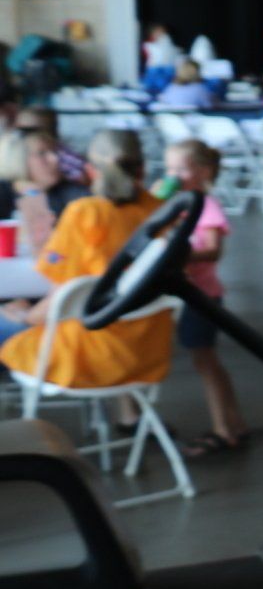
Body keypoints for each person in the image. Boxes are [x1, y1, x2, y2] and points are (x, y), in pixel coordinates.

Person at [0, 132, 172, 383]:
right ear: (143, 167)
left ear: (91, 171)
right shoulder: (161, 211)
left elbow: (62, 296)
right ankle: (128, 417)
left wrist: (25, 315)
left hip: (88, 351)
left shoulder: (85, 213)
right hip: (149, 350)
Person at [158, 139, 247, 457]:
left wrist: (180, 255)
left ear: (203, 171)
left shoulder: (206, 205)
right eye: (169, 169)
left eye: (182, 168)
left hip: (203, 294)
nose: (174, 175)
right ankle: (233, 422)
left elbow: (212, 249)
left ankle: (224, 429)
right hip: (195, 293)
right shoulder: (182, 202)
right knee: (207, 361)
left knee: (206, 362)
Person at [0, 129, 88, 254]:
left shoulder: (74, 195)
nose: (55, 159)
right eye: (42, 153)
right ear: (17, 158)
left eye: (55, 152)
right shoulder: (3, 193)